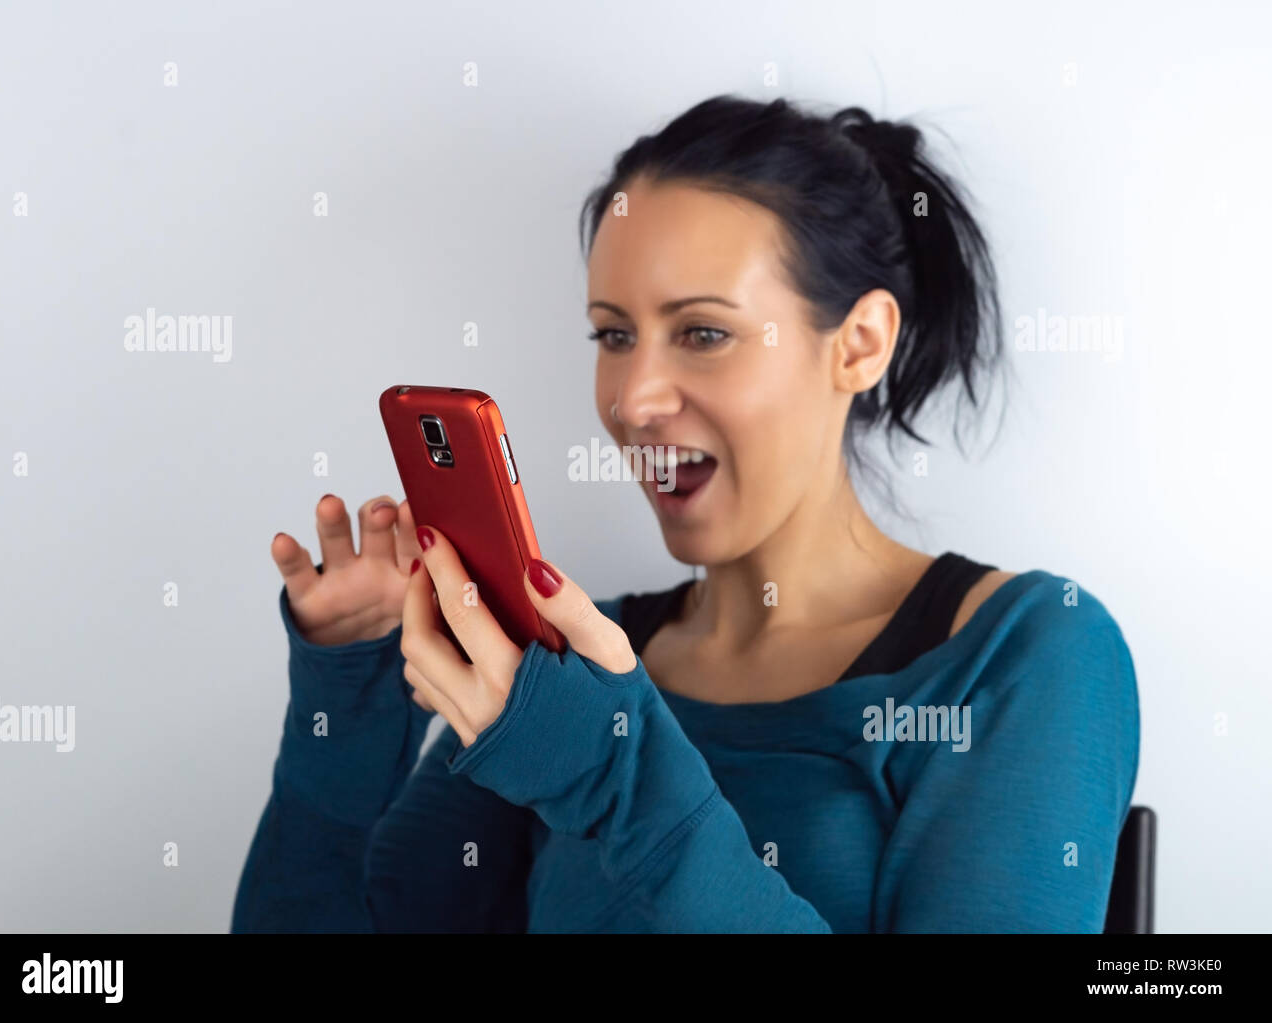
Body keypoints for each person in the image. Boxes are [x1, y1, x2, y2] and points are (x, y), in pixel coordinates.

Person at [231, 95, 1139, 933]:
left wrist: (611, 775)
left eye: (703, 332)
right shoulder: (573, 672)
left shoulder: (1027, 655)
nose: (633, 399)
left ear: (859, 344)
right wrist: (345, 704)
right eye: (614, 335)